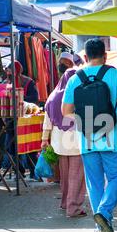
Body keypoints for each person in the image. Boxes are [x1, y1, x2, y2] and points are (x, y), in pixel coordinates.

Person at [62, 39, 117, 232]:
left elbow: (66, 112)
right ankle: (104, 213)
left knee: (95, 184)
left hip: (87, 141)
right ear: (105, 55)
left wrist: (86, 122)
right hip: (114, 140)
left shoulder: (74, 79)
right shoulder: (115, 75)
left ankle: (101, 224)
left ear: (85, 57)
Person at [42, 58, 86, 218]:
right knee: (77, 176)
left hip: (59, 143)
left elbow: (47, 121)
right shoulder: (79, 95)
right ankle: (73, 208)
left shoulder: (53, 96)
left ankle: (65, 203)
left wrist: (44, 139)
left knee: (65, 177)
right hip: (76, 143)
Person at [3, 60, 39, 178]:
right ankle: (18, 170)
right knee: (11, 145)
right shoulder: (6, 83)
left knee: (29, 146)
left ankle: (34, 171)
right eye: (7, 70)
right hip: (10, 119)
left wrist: (19, 98)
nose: (8, 72)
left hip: (25, 119)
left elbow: (34, 98)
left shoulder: (28, 82)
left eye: (10, 69)